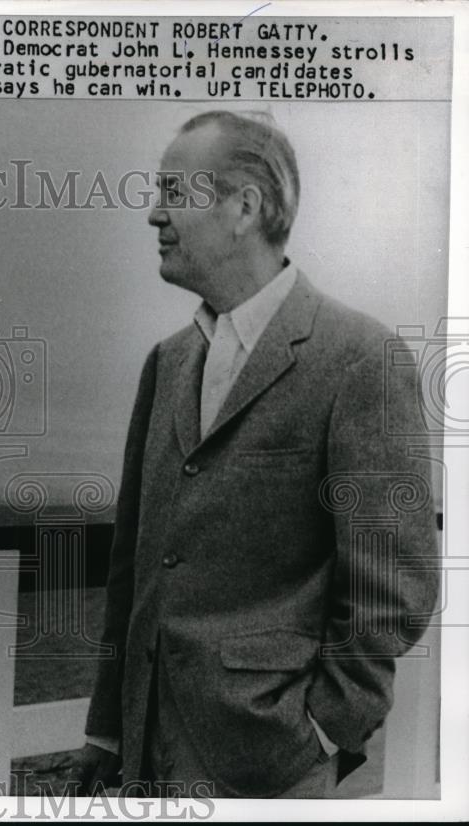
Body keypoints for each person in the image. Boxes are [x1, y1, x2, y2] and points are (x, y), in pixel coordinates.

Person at [74, 110, 439, 798]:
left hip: (275, 768)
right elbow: (135, 565)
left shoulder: (359, 359)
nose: (154, 216)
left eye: (174, 193)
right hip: (147, 760)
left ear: (245, 207)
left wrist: (326, 732)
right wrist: (108, 728)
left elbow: (393, 587)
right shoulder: (168, 362)